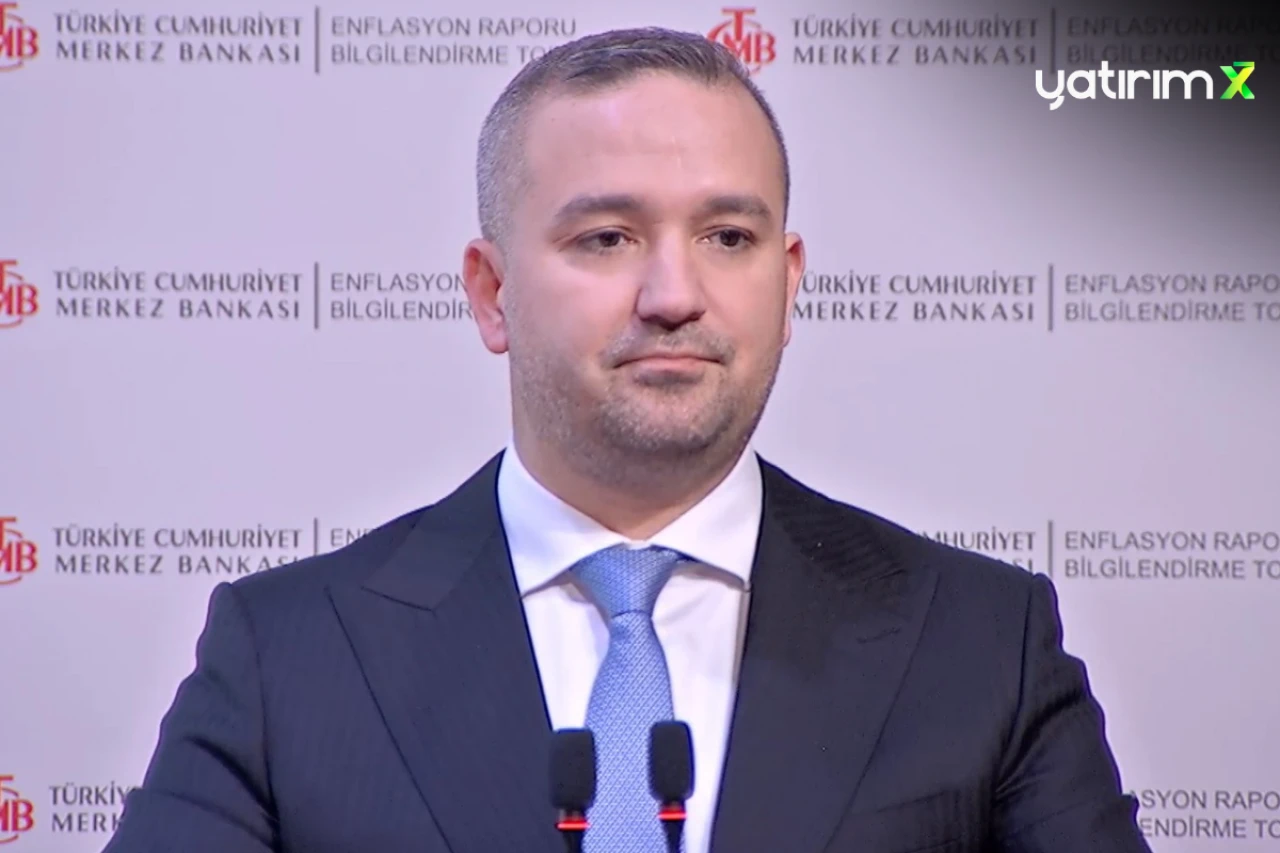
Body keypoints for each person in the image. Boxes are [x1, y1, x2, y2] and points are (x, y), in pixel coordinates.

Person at [103, 26, 1153, 853]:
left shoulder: (979, 642)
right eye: (607, 237)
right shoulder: (290, 654)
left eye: (727, 237)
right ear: (492, 292)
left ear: (788, 283)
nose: (673, 294)